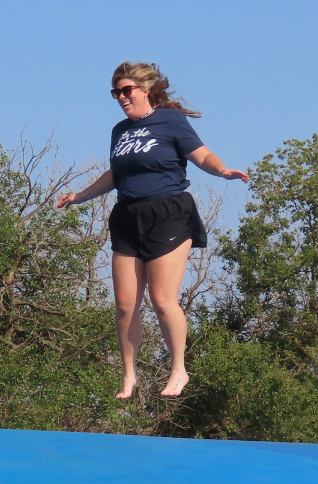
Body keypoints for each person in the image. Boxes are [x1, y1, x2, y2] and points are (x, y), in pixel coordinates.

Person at [57, 62, 249, 399]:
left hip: (168, 212)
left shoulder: (172, 121)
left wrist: (222, 170)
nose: (121, 97)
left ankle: (179, 369)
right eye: (116, 92)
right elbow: (115, 175)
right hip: (128, 215)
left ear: (146, 90)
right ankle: (129, 375)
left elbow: (201, 155)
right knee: (124, 304)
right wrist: (80, 196)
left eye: (127, 90)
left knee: (162, 299)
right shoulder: (119, 131)